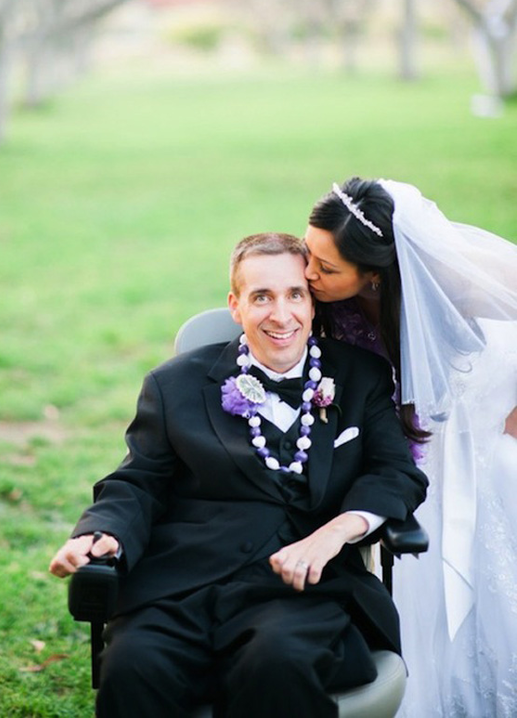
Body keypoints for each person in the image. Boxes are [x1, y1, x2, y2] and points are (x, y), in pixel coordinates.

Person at [49, 232, 427, 718]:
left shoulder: (360, 377)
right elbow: (138, 480)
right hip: (182, 584)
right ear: (235, 305)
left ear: (313, 303)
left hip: (301, 591)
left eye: (295, 294)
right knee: (134, 666)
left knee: (278, 665)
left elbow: (396, 472)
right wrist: (103, 533)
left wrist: (334, 534)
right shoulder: (174, 385)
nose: (281, 313)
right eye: (262, 296)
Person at [304, 178, 517, 718]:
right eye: (310, 254)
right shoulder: (316, 291)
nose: (309, 275)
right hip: (401, 450)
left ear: (373, 274)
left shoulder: (449, 281)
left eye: (326, 269)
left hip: (476, 436)